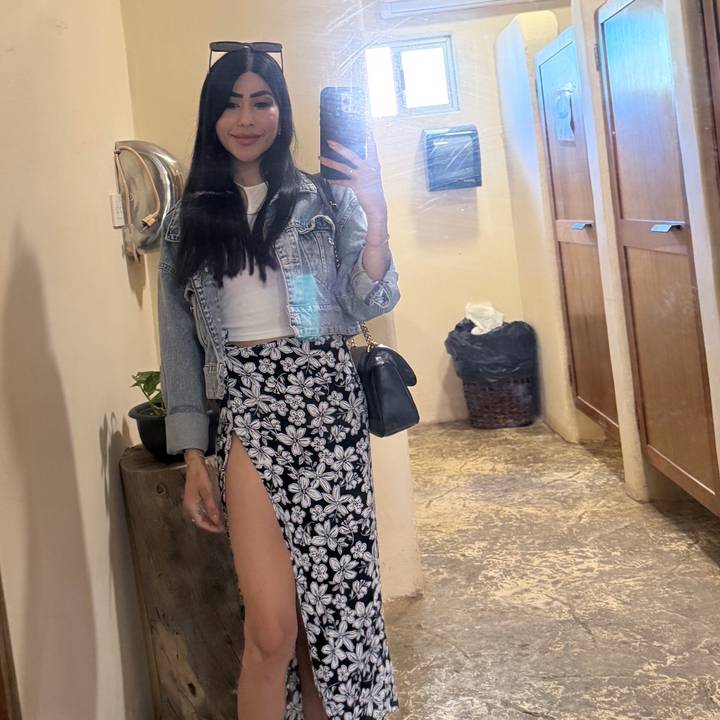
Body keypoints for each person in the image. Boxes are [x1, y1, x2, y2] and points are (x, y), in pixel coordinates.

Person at [157, 43, 401, 720]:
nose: (246, 118)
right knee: (271, 631)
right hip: (250, 412)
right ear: (211, 117)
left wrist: (375, 217)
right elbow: (177, 345)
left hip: (327, 408)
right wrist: (193, 455)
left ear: (282, 111)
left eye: (261, 102)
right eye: (231, 104)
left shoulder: (322, 199)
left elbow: (367, 301)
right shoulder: (186, 221)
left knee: (334, 629)